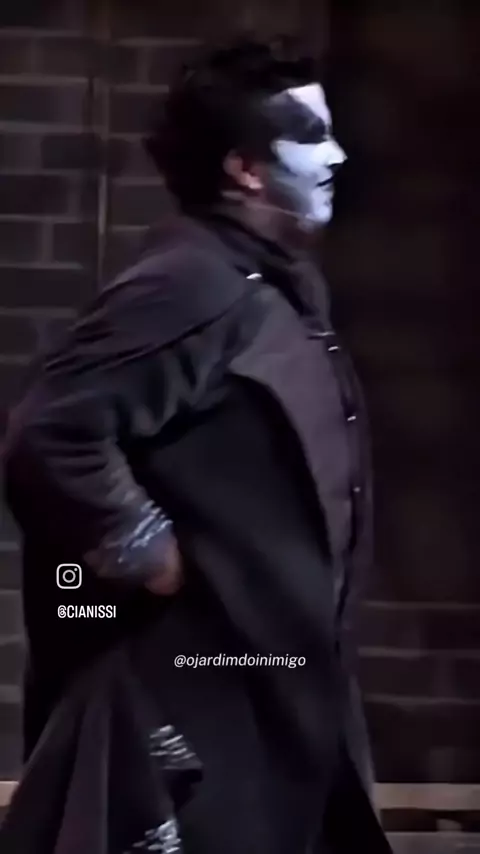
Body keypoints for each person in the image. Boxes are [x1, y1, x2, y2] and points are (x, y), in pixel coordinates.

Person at [1, 37, 392, 854]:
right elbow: (52, 431)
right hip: (197, 707)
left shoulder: (272, 282)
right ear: (245, 169)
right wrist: (144, 548)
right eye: (311, 136)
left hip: (277, 685)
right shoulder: (187, 282)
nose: (337, 155)